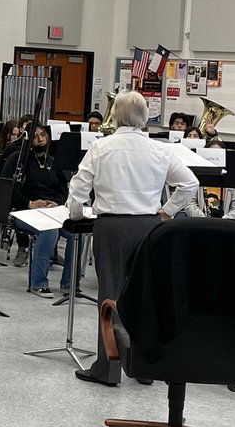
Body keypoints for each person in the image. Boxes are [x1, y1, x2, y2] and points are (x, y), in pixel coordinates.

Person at [67, 91, 199, 385]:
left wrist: (75, 214)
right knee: (145, 295)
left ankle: (108, 368)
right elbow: (189, 183)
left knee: (110, 297)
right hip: (149, 227)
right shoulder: (160, 149)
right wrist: (166, 211)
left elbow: (78, 189)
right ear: (145, 118)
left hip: (111, 227)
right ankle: (145, 367)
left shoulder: (101, 147)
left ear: (114, 116)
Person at [2, 124, 72, 296]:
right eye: (35, 136)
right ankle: (38, 283)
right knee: (50, 231)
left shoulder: (54, 161)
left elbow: (63, 190)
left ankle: (70, 283)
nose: (40, 139)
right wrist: (30, 203)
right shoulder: (17, 159)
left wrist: (56, 202)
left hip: (52, 210)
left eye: (43, 135)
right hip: (24, 211)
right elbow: (5, 188)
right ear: (28, 140)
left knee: (78, 234)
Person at [184, 138, 235, 221]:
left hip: (225, 225)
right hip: (200, 224)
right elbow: (190, 205)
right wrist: (203, 220)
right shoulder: (196, 177)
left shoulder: (233, 181)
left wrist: (221, 222)